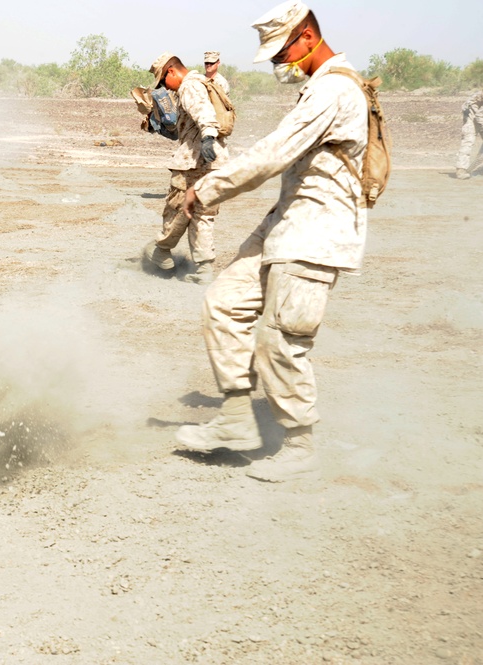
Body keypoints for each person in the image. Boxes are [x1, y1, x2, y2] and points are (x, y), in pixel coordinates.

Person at [174, 0, 369, 482]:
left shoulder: (335, 90)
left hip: (318, 230)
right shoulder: (319, 87)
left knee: (281, 339)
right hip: (287, 221)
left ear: (307, 36)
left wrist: (210, 186)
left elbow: (274, 152)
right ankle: (238, 419)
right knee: (224, 302)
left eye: (282, 53)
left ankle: (300, 446)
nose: (279, 63)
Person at [143, 51, 229, 284]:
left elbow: (204, 113)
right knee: (203, 214)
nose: (165, 87)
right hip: (215, 163)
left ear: (171, 71)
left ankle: (161, 249)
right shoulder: (206, 83)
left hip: (193, 162)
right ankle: (204, 269)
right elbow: (184, 128)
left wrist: (208, 136)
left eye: (163, 81)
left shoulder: (190, 86)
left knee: (178, 209)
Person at [455, 89, 483, 180]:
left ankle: (471, 168)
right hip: (471, 112)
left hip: (478, 111)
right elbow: (479, 116)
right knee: (468, 139)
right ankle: (461, 169)